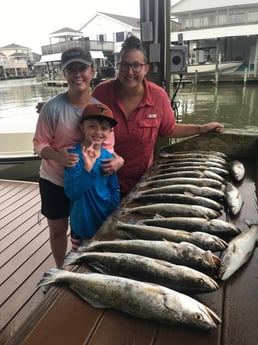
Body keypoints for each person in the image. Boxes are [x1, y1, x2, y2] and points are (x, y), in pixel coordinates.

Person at [92, 34, 224, 196]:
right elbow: (84, 128)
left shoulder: (158, 96)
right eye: (124, 65)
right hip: (102, 179)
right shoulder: (101, 93)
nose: (130, 71)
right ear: (118, 66)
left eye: (136, 65)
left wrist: (201, 128)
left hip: (141, 182)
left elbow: (168, 129)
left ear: (146, 68)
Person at [33, 47, 123, 267]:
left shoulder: (100, 110)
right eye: (70, 69)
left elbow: (108, 147)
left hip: (88, 181)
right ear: (64, 74)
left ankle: (87, 267)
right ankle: (60, 268)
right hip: (55, 179)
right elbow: (39, 144)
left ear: (92, 71)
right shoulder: (52, 108)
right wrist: (58, 157)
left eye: (82, 68)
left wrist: (119, 160)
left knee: (88, 226)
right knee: (57, 228)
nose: (77, 74)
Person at [64, 103, 120, 251]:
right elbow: (71, 192)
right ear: (82, 128)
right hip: (81, 223)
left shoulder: (109, 158)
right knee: (79, 260)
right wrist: (87, 169)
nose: (98, 132)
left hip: (103, 219)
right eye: (92, 126)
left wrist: (111, 215)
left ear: (110, 131)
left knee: (102, 255)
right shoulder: (73, 156)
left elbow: (114, 188)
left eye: (104, 128)